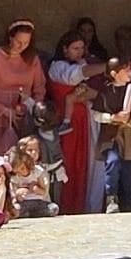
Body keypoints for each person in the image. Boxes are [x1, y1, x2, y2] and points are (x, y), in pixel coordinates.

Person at [46, 30, 105, 215]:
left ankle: (85, 207)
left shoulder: (83, 63)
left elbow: (94, 91)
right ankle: (68, 206)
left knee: (85, 167)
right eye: (75, 48)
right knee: (69, 165)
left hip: (85, 123)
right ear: (65, 49)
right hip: (67, 125)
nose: (79, 52)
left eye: (81, 48)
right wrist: (108, 66)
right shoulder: (57, 67)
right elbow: (75, 76)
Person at [0, 20, 47, 157]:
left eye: (26, 43)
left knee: (22, 158)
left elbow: (39, 88)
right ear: (10, 37)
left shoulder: (32, 59)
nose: (22, 46)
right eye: (18, 41)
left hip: (23, 117)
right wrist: (4, 111)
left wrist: (33, 109)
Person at [92, 57, 131, 213]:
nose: (130, 72)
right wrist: (112, 118)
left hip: (128, 134)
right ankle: (111, 199)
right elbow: (96, 115)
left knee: (129, 170)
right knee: (112, 162)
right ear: (114, 73)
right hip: (110, 135)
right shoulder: (105, 91)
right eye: (126, 70)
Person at [7, 137, 60, 217]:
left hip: (40, 201)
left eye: (37, 150)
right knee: (15, 209)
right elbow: (13, 194)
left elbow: (45, 192)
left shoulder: (39, 171)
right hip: (24, 203)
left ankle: (32, 213)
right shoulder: (15, 175)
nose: (34, 153)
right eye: (30, 150)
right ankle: (26, 213)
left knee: (53, 208)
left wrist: (35, 188)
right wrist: (17, 194)